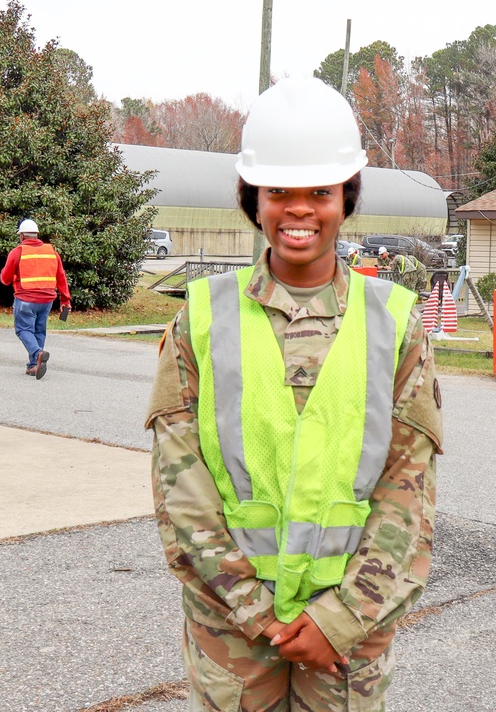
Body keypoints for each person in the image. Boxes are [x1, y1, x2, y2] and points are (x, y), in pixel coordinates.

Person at [146, 77, 443, 711]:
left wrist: (341, 619)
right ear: (253, 197)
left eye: (320, 192)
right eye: (279, 191)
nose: (299, 210)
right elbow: (183, 492)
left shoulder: (394, 320)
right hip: (233, 630)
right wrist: (256, 610)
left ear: (347, 198)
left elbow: (407, 495)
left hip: (347, 636)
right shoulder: (200, 317)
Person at [0, 218, 71, 380]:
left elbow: (5, 279)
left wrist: (8, 276)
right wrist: (65, 300)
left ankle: (38, 353)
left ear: (22, 236)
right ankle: (33, 365)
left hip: (25, 299)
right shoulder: (52, 252)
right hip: (46, 301)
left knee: (23, 330)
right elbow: (61, 277)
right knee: (39, 330)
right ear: (37, 235)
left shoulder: (17, 252)